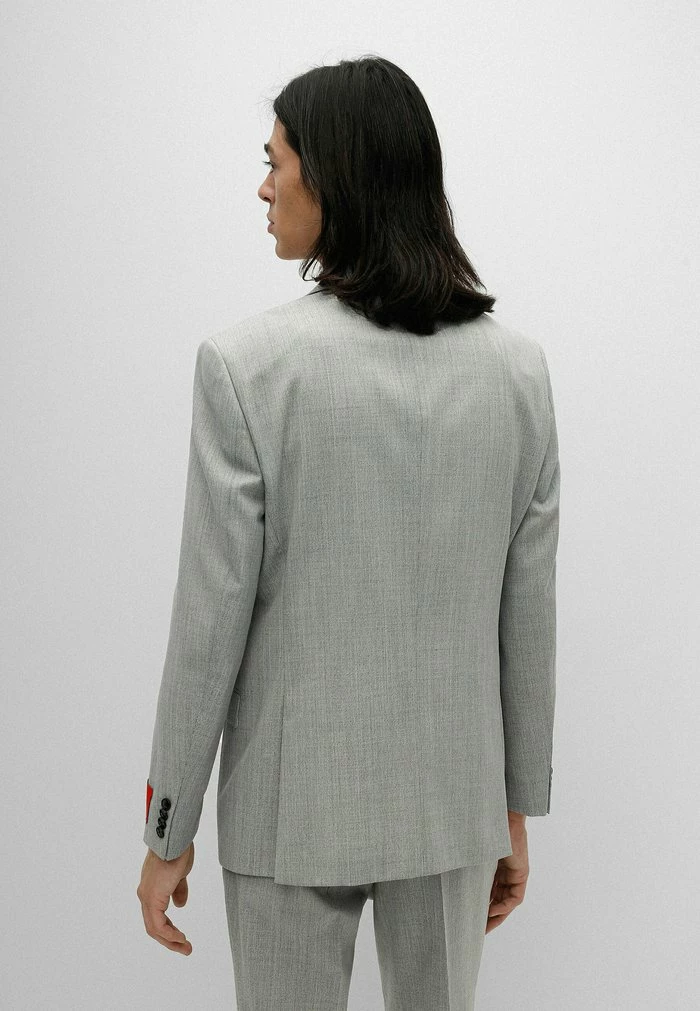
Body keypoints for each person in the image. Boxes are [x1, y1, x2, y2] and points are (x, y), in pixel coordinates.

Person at [137, 54, 560, 1011]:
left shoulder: (247, 368)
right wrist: (512, 808)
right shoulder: (519, 375)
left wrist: (169, 828)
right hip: (454, 806)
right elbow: (526, 614)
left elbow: (209, 622)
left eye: (275, 160)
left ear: (332, 176)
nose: (264, 185)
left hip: (292, 808)